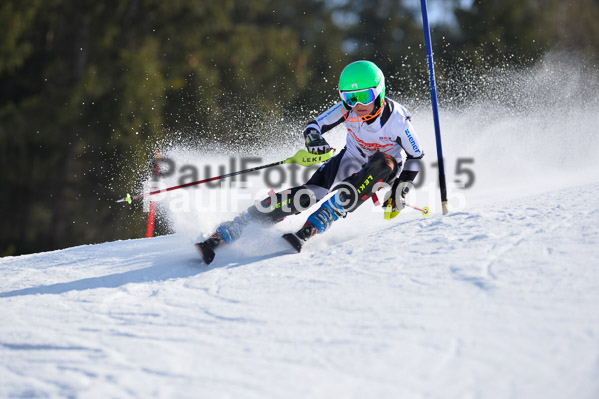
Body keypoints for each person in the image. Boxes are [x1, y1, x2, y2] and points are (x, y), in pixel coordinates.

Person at [196, 60, 424, 264]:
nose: (357, 105)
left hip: (385, 168)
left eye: (365, 97)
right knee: (307, 195)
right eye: (350, 97)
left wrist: (401, 189)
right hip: (352, 157)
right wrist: (314, 140)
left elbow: (416, 156)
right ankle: (237, 226)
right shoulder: (347, 110)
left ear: (380, 92)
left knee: (380, 165)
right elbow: (314, 125)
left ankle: (320, 219)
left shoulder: (398, 121)